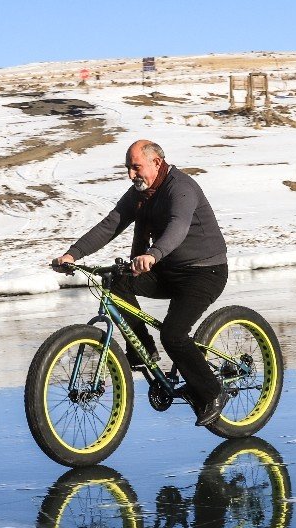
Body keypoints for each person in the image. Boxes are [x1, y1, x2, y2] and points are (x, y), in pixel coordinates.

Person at [53, 140, 229, 426]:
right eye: (128, 168)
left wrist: (152, 254)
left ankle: (213, 391)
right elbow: (111, 224)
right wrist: (73, 253)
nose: (131, 175)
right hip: (168, 270)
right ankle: (144, 350)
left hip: (204, 272)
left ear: (156, 162)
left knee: (174, 335)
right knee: (117, 283)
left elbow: (178, 226)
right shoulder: (140, 194)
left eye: (136, 167)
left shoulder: (181, 188)